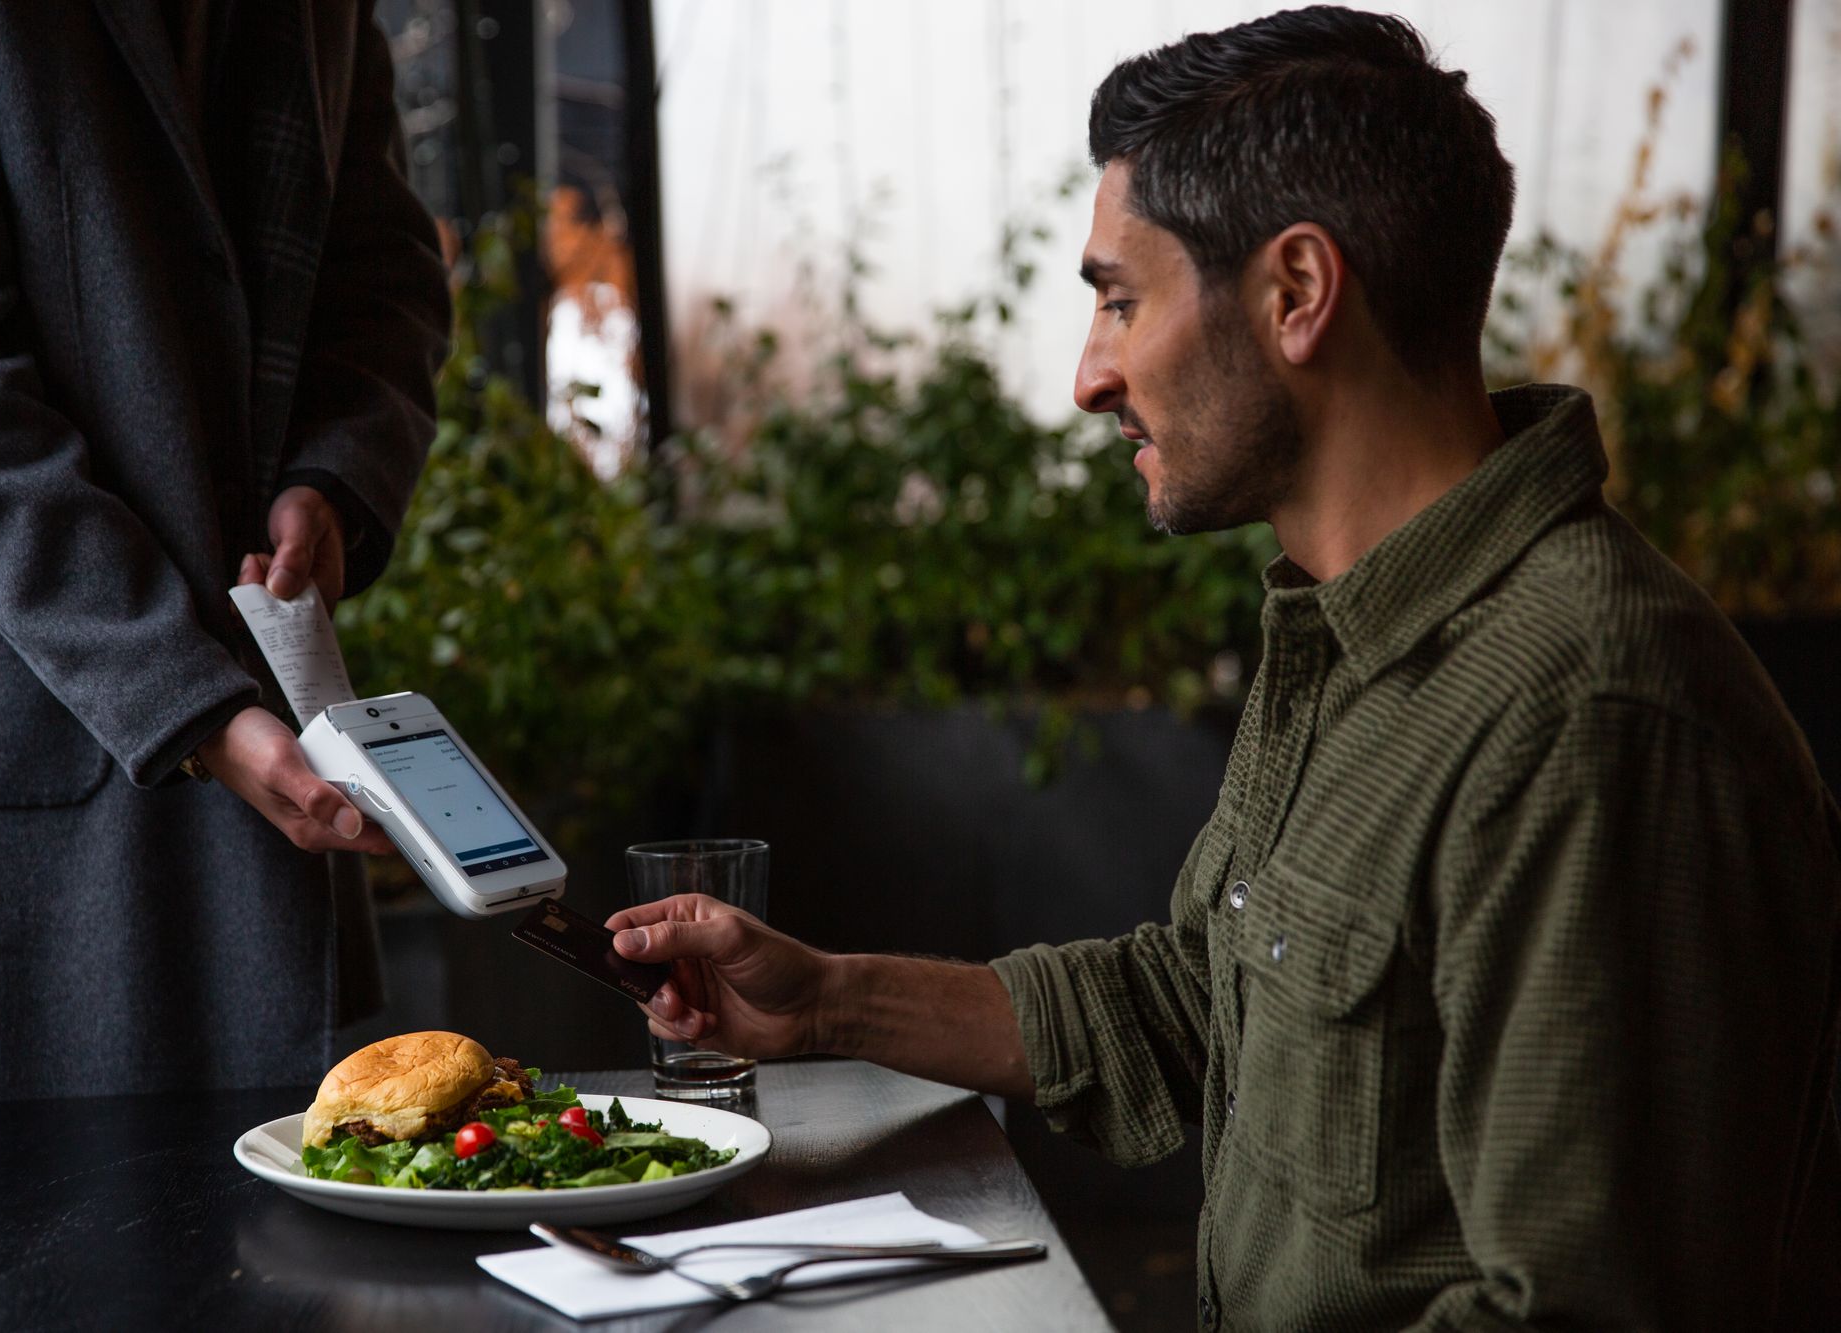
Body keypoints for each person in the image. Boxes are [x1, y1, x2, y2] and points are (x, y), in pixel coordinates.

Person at [607, 9, 1841, 1328]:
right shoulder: (1348, 631)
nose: (1090, 376)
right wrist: (827, 1003)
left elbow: (1583, 1312)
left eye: (1121, 301)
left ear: (1297, 294)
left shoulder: (1589, 717)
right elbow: (1200, 1000)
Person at [0, 2, 448, 1104]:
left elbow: (383, 266)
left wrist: (337, 476)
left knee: (267, 1237)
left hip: (260, 708)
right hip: (8, 742)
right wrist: (184, 697)